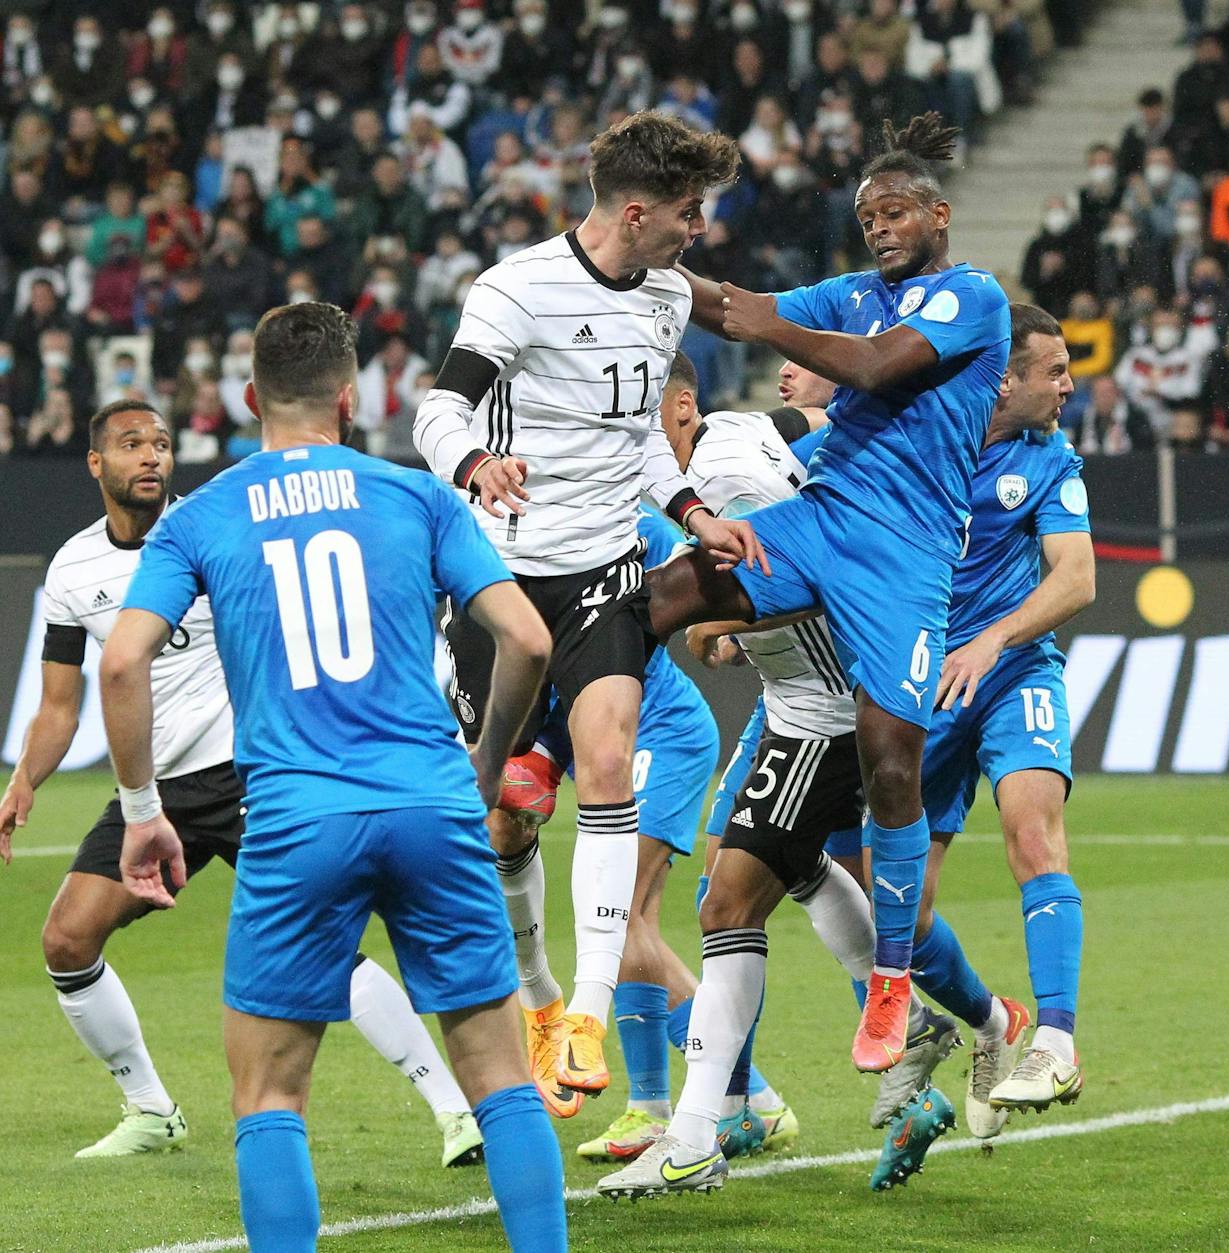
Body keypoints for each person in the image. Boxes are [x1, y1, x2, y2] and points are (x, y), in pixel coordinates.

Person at [99, 303, 565, 1251]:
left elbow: (119, 664)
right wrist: (483, 767)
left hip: (298, 816)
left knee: (270, 1093)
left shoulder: (201, 517)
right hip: (432, 803)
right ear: (350, 399)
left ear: (248, 399)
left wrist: (144, 811)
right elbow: (526, 638)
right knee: (501, 1078)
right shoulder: (419, 496)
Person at [0, 399, 487, 1170]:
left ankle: (453, 1108)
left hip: (253, 768)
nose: (151, 456)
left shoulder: (215, 526)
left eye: (162, 443)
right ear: (95, 463)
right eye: (131, 444)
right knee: (66, 937)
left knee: (323, 941)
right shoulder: (71, 569)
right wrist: (25, 780)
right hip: (153, 792)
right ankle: (151, 1108)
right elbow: (61, 704)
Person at [412, 111, 751, 1110]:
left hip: (604, 569)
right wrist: (475, 463)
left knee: (608, 763)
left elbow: (638, 437)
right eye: (688, 211)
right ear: (636, 212)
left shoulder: (667, 298)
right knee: (503, 814)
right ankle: (539, 997)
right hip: (502, 580)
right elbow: (438, 410)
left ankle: (588, 1016)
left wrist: (691, 511)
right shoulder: (516, 288)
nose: (698, 228)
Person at [660, 112, 1011, 1072]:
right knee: (659, 598)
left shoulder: (972, 296)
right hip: (821, 520)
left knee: (891, 758)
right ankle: (544, 748)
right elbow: (734, 306)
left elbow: (873, 364)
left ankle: (892, 981)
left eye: (895, 212)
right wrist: (638, 262)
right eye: (867, 218)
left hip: (906, 556)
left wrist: (768, 321)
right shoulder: (851, 292)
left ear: (938, 214)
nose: (880, 228)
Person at [598, 359, 908, 1200]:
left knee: (727, 907)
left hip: (822, 711)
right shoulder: (744, 431)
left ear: (680, 408)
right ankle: (913, 1021)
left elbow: (794, 577)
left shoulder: (724, 479)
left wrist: (693, 614)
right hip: (810, 700)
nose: (627, 444)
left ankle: (698, 1132)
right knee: (791, 871)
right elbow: (816, 427)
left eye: (636, 423)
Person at [878, 304, 1094, 1150]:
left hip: (1012, 672)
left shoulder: (1051, 461)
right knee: (899, 908)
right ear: (1005, 380)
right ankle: (992, 1020)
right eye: (1055, 370)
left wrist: (996, 637)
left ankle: (1057, 1040)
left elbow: (1075, 579)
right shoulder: (922, 436)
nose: (1069, 385)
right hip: (925, 686)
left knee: (1032, 832)